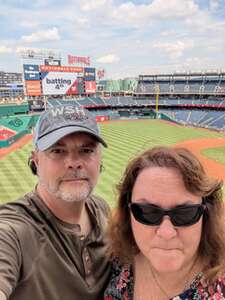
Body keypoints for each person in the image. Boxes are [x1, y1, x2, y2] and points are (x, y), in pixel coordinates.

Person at [0, 104, 111, 300]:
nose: (74, 162)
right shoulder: (13, 230)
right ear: (36, 160)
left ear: (100, 158)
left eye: (86, 150)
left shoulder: (101, 209)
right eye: (58, 151)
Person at [104, 146, 225, 300]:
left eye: (185, 213)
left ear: (207, 214)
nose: (166, 233)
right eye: (146, 212)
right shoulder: (118, 259)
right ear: (128, 213)